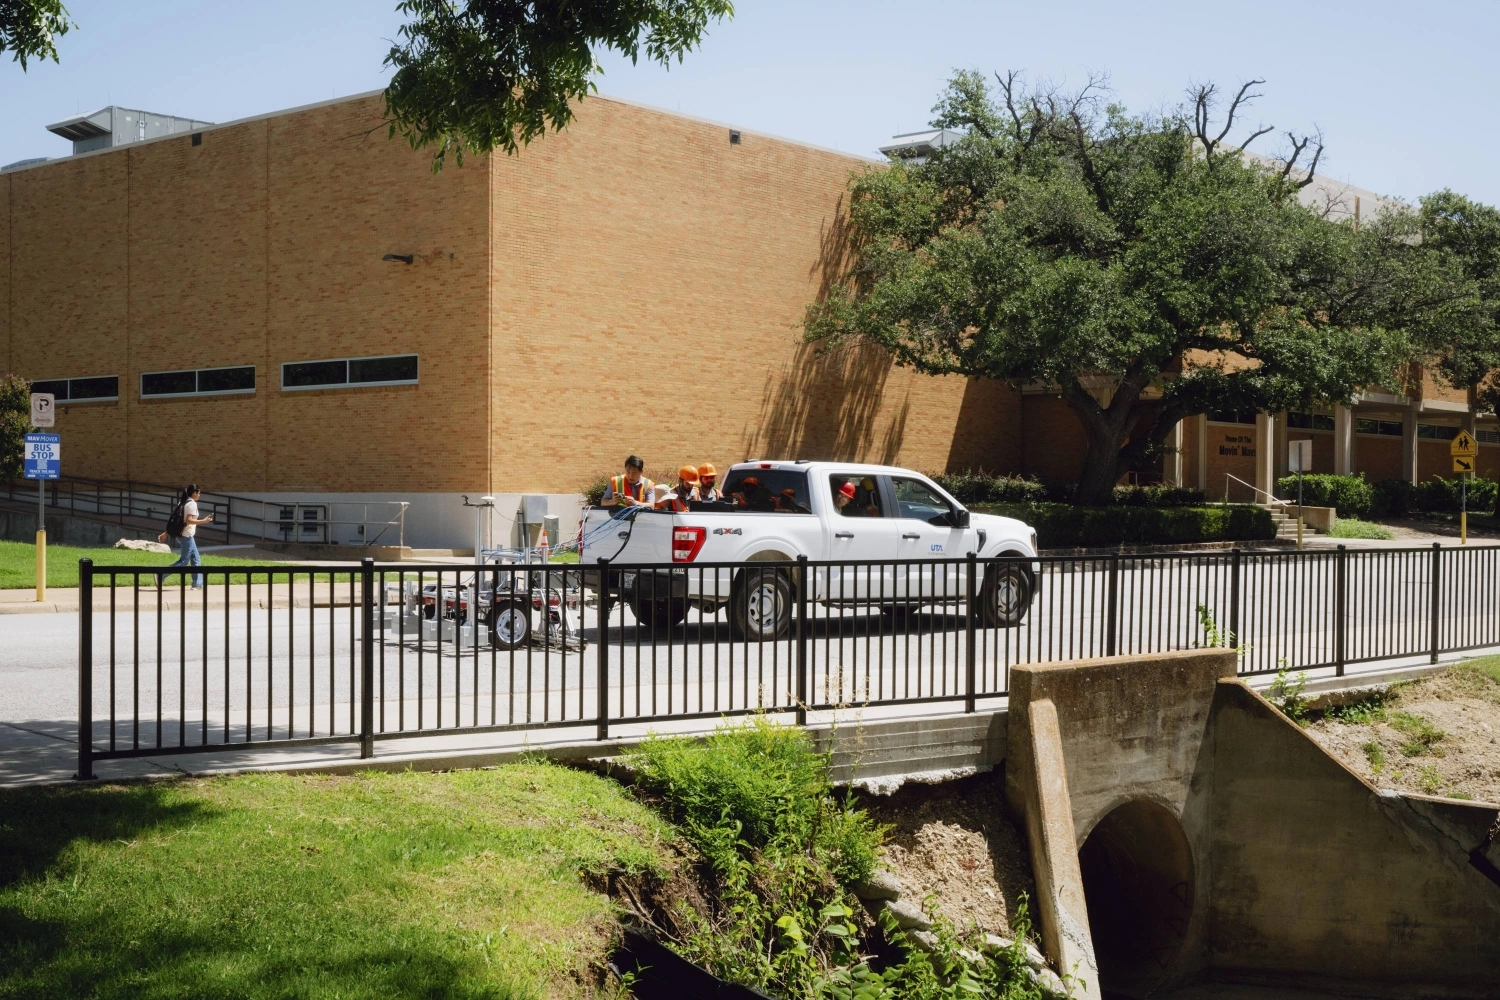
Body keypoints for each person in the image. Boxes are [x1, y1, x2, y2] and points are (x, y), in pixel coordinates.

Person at [158, 484, 213, 589]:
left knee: (195, 559)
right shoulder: (192, 504)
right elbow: (189, 521)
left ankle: (197, 584)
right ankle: (161, 574)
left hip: (185, 535)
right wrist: (204, 521)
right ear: (194, 493)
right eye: (199, 493)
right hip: (187, 536)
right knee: (183, 561)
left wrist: (166, 533)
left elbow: (176, 521)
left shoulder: (182, 502)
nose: (200, 495)